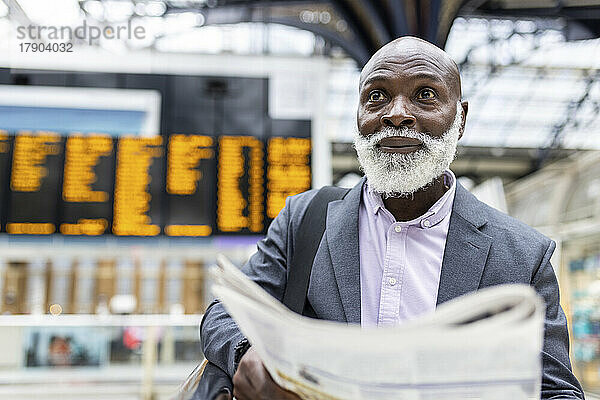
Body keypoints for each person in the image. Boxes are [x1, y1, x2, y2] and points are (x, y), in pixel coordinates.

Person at [200, 36, 585, 400]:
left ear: (460, 119)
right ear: (358, 114)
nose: (397, 114)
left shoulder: (522, 255)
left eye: (425, 95)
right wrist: (246, 353)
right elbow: (224, 312)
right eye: (377, 96)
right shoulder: (306, 219)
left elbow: (557, 391)